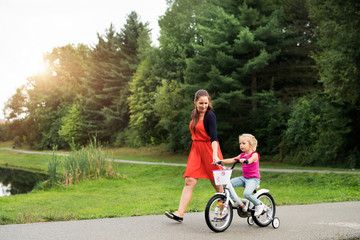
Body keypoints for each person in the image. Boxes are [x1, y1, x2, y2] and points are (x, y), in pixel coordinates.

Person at [165, 89, 223, 222]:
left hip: (210, 150)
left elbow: (214, 138)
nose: (203, 106)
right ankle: (180, 213)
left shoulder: (210, 116)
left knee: (218, 184)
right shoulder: (194, 114)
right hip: (196, 150)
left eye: (206, 103)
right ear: (195, 102)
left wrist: (215, 155)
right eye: (201, 103)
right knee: (189, 180)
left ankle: (222, 211)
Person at [214, 133, 264, 217]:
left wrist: (246, 161)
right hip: (244, 178)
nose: (241, 145)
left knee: (247, 194)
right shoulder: (242, 155)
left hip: (253, 179)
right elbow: (232, 160)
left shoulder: (254, 154)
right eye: (240, 143)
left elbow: (251, 160)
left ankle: (259, 204)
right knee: (228, 184)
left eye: (243, 143)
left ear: (251, 145)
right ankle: (236, 201)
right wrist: (220, 161)